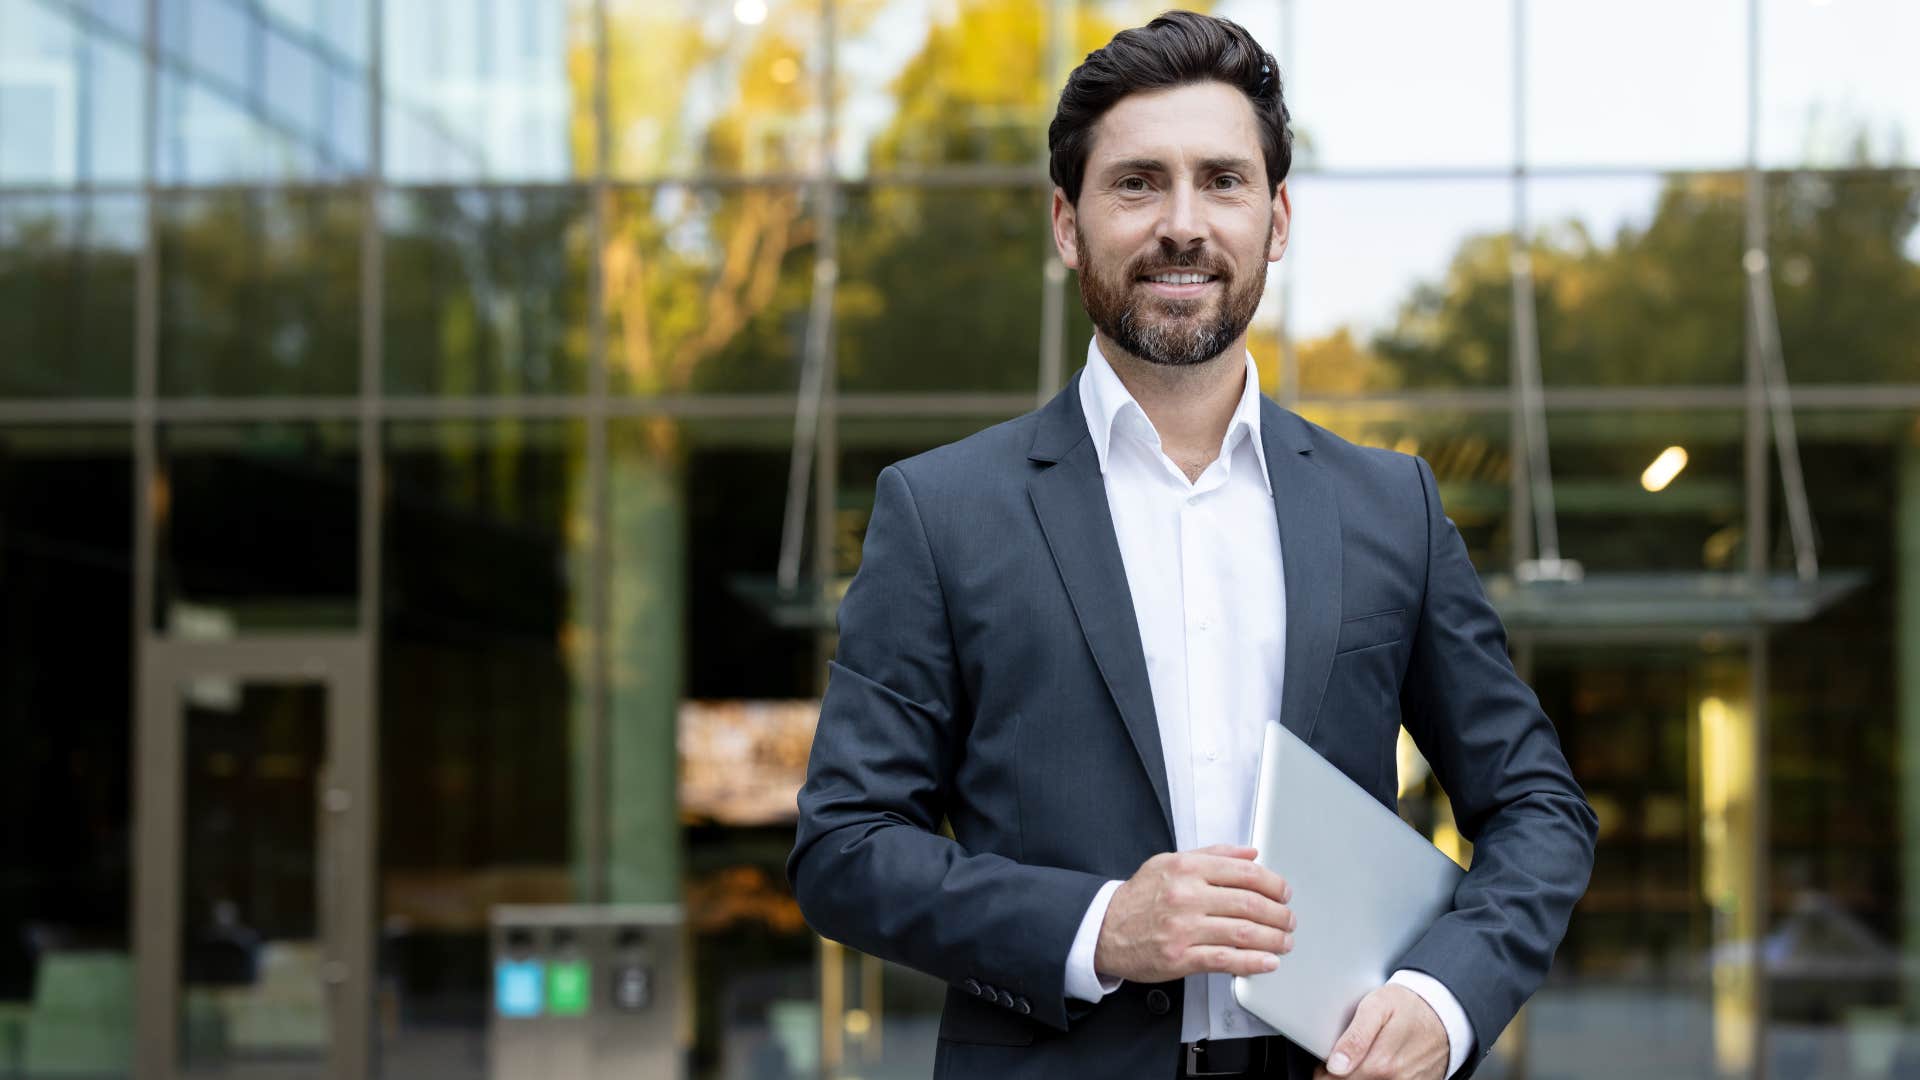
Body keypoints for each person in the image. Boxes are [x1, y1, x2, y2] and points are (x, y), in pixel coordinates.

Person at [788, 11, 1597, 1079]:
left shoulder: (1388, 505)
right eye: (1137, 184)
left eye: (1223, 180)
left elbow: (1539, 807)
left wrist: (1445, 997)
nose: (1183, 223)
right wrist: (1098, 926)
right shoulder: (943, 513)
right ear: (1068, 225)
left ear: (1276, 219)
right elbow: (844, 848)